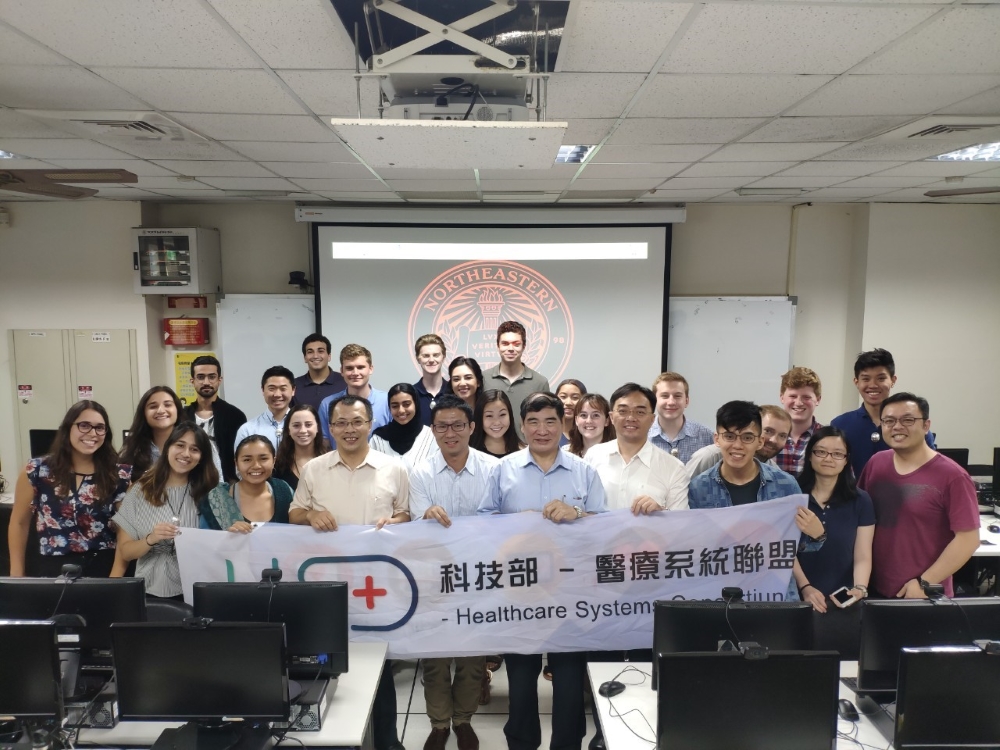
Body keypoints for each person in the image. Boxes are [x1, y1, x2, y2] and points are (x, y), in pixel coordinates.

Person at [479, 393, 606, 750]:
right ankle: (521, 743)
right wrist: (512, 524)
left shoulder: (584, 471)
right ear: (522, 426)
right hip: (519, 591)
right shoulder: (503, 470)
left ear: (563, 425)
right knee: (520, 681)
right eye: (533, 422)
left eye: (551, 421)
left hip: (570, 590)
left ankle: (566, 744)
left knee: (568, 681)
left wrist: (577, 514)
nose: (542, 429)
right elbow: (482, 522)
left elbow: (605, 526)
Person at [289, 395, 409, 750]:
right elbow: (294, 514)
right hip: (327, 586)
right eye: (340, 423)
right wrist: (310, 515)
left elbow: (407, 515)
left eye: (356, 422)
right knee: (330, 664)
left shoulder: (394, 468)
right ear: (330, 428)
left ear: (370, 423)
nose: (349, 429)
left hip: (378, 588)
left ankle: (387, 742)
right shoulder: (314, 469)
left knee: (380, 668)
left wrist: (396, 520)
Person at [409, 395, 498, 750]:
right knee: (435, 657)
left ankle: (463, 721)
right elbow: (417, 526)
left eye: (458, 425)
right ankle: (439, 724)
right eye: (442, 426)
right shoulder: (421, 473)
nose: (450, 432)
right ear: (432, 431)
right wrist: (426, 516)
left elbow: (500, 523)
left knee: (472, 658)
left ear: (471, 428)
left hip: (479, 577)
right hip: (435, 578)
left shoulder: (493, 468)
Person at [688, 401, 826, 598]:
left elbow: (796, 545)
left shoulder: (785, 485)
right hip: (720, 595)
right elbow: (692, 546)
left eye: (747, 437)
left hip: (773, 596)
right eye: (729, 436)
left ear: (759, 442)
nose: (737, 445)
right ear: (717, 439)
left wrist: (818, 535)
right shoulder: (698, 488)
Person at [858, 393, 979, 599]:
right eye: (889, 421)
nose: (897, 426)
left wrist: (925, 582)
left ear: (926, 425)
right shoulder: (876, 464)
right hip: (876, 588)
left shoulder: (953, 475)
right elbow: (860, 517)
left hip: (925, 593)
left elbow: (968, 539)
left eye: (907, 420)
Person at [8, 401, 130, 578]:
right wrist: (16, 574)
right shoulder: (37, 470)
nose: (92, 433)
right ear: (67, 428)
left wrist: (115, 578)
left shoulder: (119, 475)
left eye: (99, 428)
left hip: (103, 567)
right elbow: (19, 524)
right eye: (84, 425)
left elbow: (124, 532)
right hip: (53, 568)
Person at [112, 423, 223, 599]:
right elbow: (125, 552)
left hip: (197, 591)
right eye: (180, 445)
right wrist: (151, 539)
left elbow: (222, 548)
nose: (186, 454)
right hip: (147, 592)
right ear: (168, 447)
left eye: (194, 449)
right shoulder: (139, 491)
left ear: (201, 457)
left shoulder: (210, 494)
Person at [792, 427, 875, 613]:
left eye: (837, 454)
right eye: (821, 452)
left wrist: (860, 588)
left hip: (843, 597)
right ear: (810, 456)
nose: (828, 459)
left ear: (846, 460)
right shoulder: (794, 496)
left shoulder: (861, 500)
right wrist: (805, 588)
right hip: (797, 596)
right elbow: (786, 551)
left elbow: (862, 555)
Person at [831, 348, 934, 478]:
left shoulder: (914, 424)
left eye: (881, 378)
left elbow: (931, 467)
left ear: (893, 380)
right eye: (866, 379)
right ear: (856, 382)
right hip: (854, 497)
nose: (873, 385)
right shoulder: (840, 424)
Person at [585, 383, 688, 513]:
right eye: (623, 411)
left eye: (640, 412)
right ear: (611, 417)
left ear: (652, 419)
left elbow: (680, 522)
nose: (631, 418)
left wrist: (662, 512)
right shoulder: (594, 455)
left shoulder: (674, 468)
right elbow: (581, 506)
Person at [200, 435, 294, 530]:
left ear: (274, 461)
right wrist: (227, 537)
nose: (256, 465)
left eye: (263, 458)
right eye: (247, 460)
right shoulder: (217, 499)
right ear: (236, 463)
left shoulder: (284, 491)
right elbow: (206, 540)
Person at [482, 321, 551, 442]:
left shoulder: (540, 382)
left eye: (516, 344)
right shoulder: (483, 379)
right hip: (489, 452)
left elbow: (544, 421)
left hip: (527, 452)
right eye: (505, 344)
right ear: (498, 346)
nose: (510, 348)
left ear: (524, 346)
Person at [183, 354, 247, 483]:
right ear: (192, 381)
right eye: (200, 377)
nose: (206, 382)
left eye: (212, 377)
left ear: (219, 380)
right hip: (189, 483)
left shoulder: (235, 416)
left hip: (225, 485)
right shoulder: (182, 416)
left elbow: (242, 455)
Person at [685, 405, 792, 479]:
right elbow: (679, 498)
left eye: (782, 436)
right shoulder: (708, 457)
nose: (773, 440)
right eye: (768, 431)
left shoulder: (776, 475)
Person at [318, 344, 392, 445]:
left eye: (360, 367)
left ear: (370, 369)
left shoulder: (388, 401)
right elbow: (324, 445)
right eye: (349, 368)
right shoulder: (327, 404)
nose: (355, 373)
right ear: (342, 371)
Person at [120, 385, 183, 481]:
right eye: (153, 406)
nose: (161, 411)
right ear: (144, 413)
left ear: (177, 409)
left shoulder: (197, 444)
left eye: (167, 405)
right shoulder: (132, 450)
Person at [647, 372, 713, 463]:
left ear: (686, 401)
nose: (671, 402)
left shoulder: (707, 436)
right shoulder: (642, 435)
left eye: (677, 396)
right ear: (654, 401)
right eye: (665, 396)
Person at [370, 383, 438, 468]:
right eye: (395, 406)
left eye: (406, 404)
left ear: (416, 404)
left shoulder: (431, 437)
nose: (401, 410)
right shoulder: (378, 439)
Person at [775, 366, 823, 477]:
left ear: (818, 399)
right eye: (793, 396)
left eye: (806, 397)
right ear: (782, 398)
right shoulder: (766, 438)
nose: (799, 403)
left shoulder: (828, 438)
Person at [234, 366, 296, 452]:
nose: (277, 394)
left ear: (293, 390)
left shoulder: (303, 428)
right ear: (263, 390)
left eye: (283, 389)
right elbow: (241, 463)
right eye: (272, 388)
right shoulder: (248, 430)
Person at [272, 404, 327, 492]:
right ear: (288, 430)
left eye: (308, 425)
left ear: (317, 428)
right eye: (296, 425)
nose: (303, 430)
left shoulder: (331, 462)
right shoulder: (277, 466)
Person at [293, 333, 346, 411]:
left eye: (320, 351)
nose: (315, 356)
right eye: (310, 352)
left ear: (329, 356)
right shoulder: (294, 386)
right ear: (305, 358)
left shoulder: (344, 382)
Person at [470, 389, 522, 459]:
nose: (497, 422)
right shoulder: (469, 453)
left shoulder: (522, 451)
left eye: (502, 414)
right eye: (489, 416)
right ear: (480, 418)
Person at [412, 333, 449, 427]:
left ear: (443, 357)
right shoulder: (410, 394)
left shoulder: (454, 391)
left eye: (436, 355)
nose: (431, 360)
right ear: (418, 359)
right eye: (426, 356)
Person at [566, 393, 615, 458]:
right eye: (583, 415)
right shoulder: (565, 453)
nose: (589, 421)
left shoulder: (617, 454)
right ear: (576, 420)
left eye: (595, 415)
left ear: (607, 421)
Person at [555, 379, 586, 447]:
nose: (568, 403)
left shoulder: (589, 432)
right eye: (563, 397)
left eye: (575, 398)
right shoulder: (548, 433)